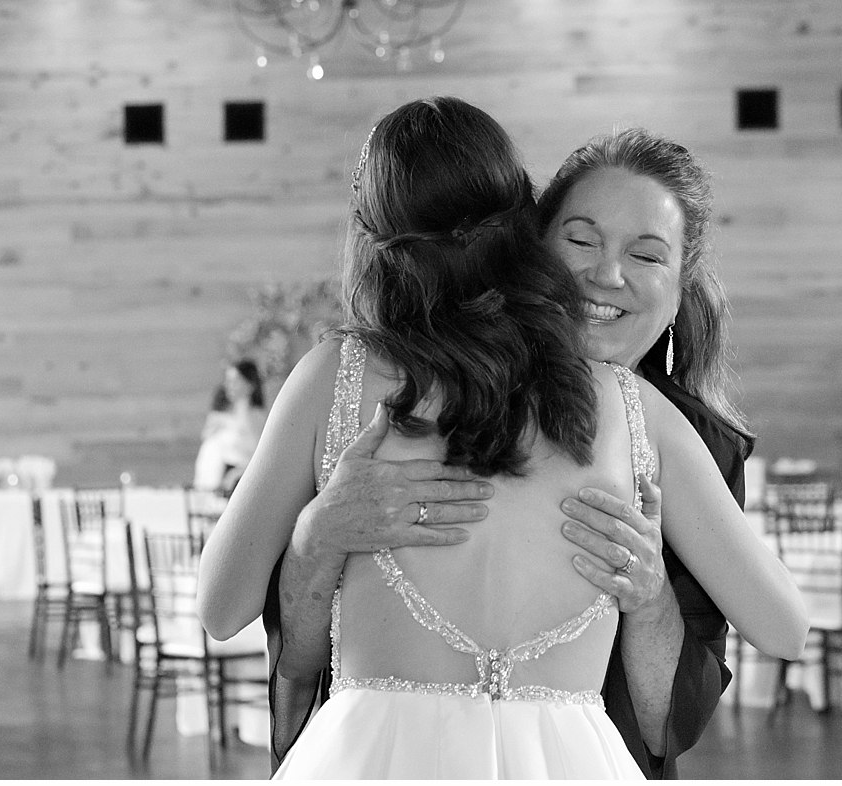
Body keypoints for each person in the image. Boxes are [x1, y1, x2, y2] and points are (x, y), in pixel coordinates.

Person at [196, 98, 806, 779]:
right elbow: (784, 627)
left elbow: (220, 610)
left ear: (371, 233)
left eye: (645, 253)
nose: (608, 275)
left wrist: (652, 590)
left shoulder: (333, 381)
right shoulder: (632, 410)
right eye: (581, 240)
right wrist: (318, 532)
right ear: (526, 229)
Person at [191, 359, 267, 494]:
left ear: (250, 385)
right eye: (228, 380)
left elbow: (260, 456)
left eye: (235, 380)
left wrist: (237, 473)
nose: (229, 386)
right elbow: (207, 441)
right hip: (212, 484)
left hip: (240, 482)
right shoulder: (220, 414)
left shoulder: (257, 417)